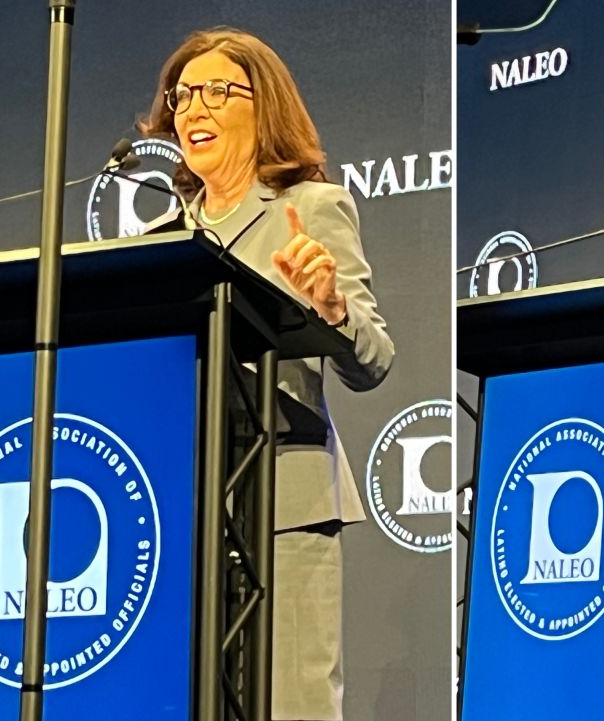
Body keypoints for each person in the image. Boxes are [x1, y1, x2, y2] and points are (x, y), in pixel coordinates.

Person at [139, 27, 394, 721]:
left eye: (217, 91)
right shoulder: (158, 242)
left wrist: (331, 307)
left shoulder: (309, 209)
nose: (193, 109)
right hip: (177, 515)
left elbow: (374, 355)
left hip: (284, 503)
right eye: (183, 96)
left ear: (266, 107)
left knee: (292, 707)